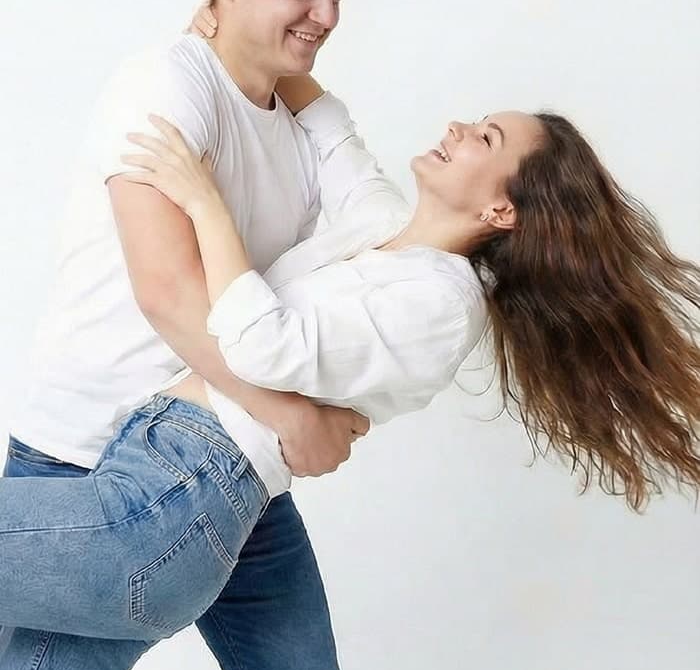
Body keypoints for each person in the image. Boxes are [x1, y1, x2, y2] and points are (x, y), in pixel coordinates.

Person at [1, 33, 699, 636]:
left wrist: (201, 196)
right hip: (153, 456)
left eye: (486, 138)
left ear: (500, 209)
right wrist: (233, 16)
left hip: (180, 490)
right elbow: (329, 130)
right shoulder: (383, 231)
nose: (458, 127)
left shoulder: (440, 303)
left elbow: (263, 347)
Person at [0, 0, 366, 670]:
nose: (324, 15)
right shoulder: (166, 85)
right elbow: (168, 290)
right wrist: (291, 413)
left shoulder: (294, 126)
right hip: (96, 467)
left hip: (233, 474)